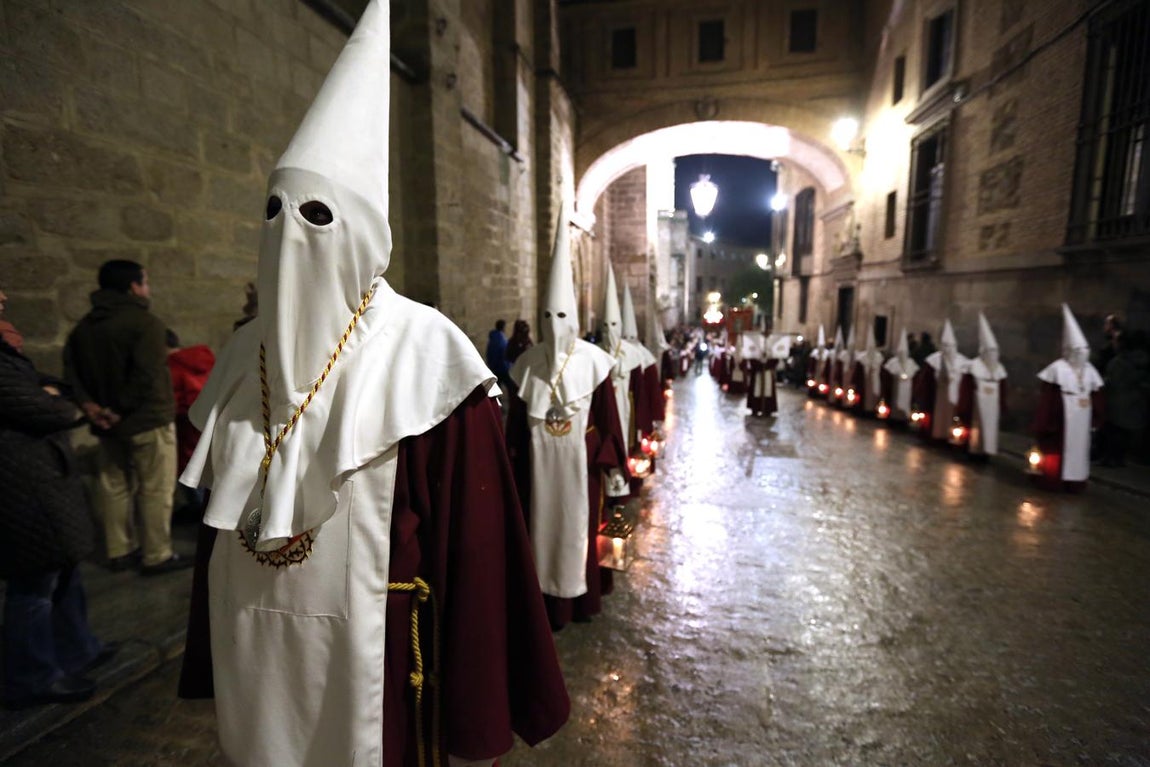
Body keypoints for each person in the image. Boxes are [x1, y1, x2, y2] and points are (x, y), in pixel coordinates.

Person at [176, 5, 569, 764]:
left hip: (378, 673)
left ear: (363, 234)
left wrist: (475, 710)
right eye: (273, 210)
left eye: (317, 214)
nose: (289, 232)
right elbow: (217, 537)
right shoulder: (244, 355)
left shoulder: (426, 355)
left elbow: (476, 551)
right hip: (254, 661)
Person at [506, 208, 629, 631]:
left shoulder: (594, 362)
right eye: (548, 316)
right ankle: (543, 605)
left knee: (580, 530)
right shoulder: (527, 364)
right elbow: (516, 427)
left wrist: (614, 467)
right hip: (537, 471)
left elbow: (609, 419)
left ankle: (578, 603)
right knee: (539, 529)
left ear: (573, 317)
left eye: (561, 316)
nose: (554, 325)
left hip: (582, 468)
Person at [1, 288, 118, 709]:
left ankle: (76, 649)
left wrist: (53, 394)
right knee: (34, 582)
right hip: (20, 484)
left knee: (64, 568)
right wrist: (55, 401)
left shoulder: (8, 358)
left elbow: (52, 389)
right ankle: (31, 676)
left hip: (40, 478)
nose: (3, 297)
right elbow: (44, 408)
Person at [63, 259, 188, 575]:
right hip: (147, 419)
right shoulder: (145, 324)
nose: (147, 288)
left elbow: (71, 373)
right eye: (145, 281)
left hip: (106, 424)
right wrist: (118, 410)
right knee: (155, 488)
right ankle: (157, 554)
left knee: (113, 486)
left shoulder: (83, 328)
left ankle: (119, 550)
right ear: (134, 286)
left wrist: (90, 407)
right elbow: (146, 375)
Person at [1031, 304, 1105, 491]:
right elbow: (1048, 399)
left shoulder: (1090, 370)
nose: (1082, 353)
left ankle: (1075, 481)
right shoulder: (1057, 369)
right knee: (1059, 449)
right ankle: (1054, 479)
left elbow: (1096, 395)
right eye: (1078, 350)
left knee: (1079, 449)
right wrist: (1047, 422)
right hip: (1062, 417)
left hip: (1082, 418)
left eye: (1084, 349)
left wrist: (1096, 417)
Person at [955, 312, 1008, 458]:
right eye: (990, 352)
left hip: (992, 406)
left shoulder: (999, 369)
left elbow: (1002, 388)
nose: (992, 355)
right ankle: (973, 450)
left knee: (990, 428)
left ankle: (986, 451)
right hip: (976, 406)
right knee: (975, 428)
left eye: (995, 352)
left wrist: (1002, 405)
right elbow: (966, 388)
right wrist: (964, 406)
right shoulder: (973, 366)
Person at [912, 320, 970, 443]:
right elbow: (926, 381)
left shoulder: (963, 361)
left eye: (951, 346)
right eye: (945, 346)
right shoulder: (933, 360)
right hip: (938, 395)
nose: (948, 349)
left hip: (954, 396)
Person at [1100, 330, 1149, 467]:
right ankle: (1119, 459)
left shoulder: (1118, 362)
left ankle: (1111, 459)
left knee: (1114, 432)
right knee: (1124, 433)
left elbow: (1111, 381)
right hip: (1134, 403)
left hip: (1117, 402)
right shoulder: (1142, 361)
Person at [881, 328, 920, 424]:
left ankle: (904, 418)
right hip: (896, 387)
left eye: (904, 353)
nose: (902, 355)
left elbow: (915, 373)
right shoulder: (893, 362)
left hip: (907, 388)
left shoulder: (911, 363)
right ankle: (894, 419)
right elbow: (888, 374)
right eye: (901, 353)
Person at [485, 317, 510, 387]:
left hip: (494, 368)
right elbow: (505, 354)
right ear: (503, 327)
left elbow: (489, 353)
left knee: (497, 386)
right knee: (510, 387)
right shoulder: (502, 340)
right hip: (503, 368)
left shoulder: (492, 339)